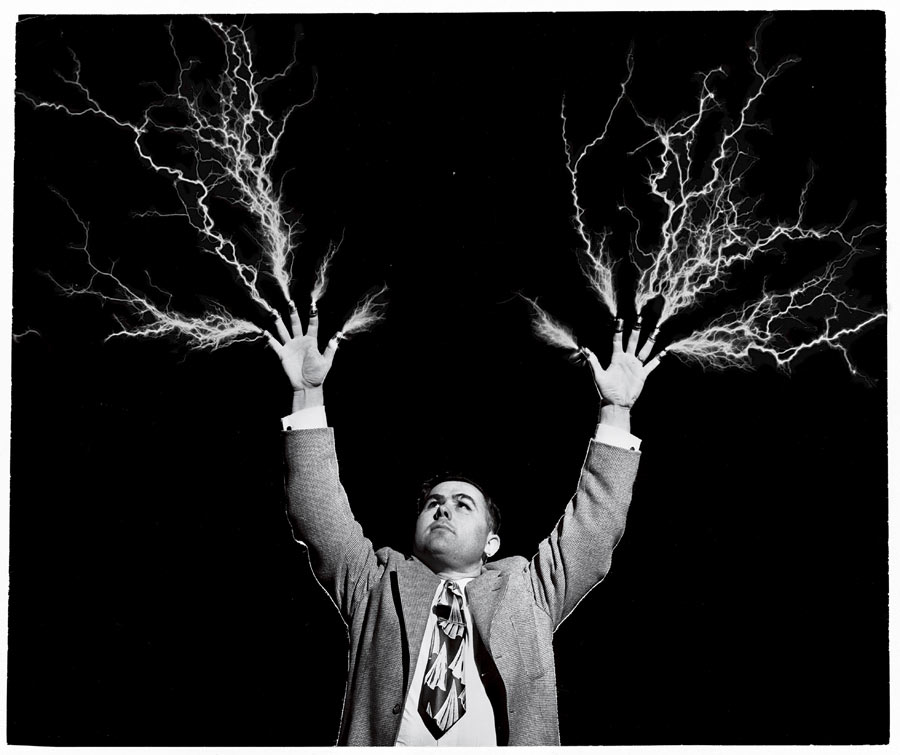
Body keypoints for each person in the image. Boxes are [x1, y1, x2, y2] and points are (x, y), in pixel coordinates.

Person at [265, 302, 661, 746]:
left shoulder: (528, 591)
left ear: (492, 542)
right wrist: (306, 396)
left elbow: (594, 527)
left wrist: (616, 411)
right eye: (433, 502)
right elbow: (319, 513)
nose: (442, 509)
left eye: (462, 504)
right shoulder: (376, 584)